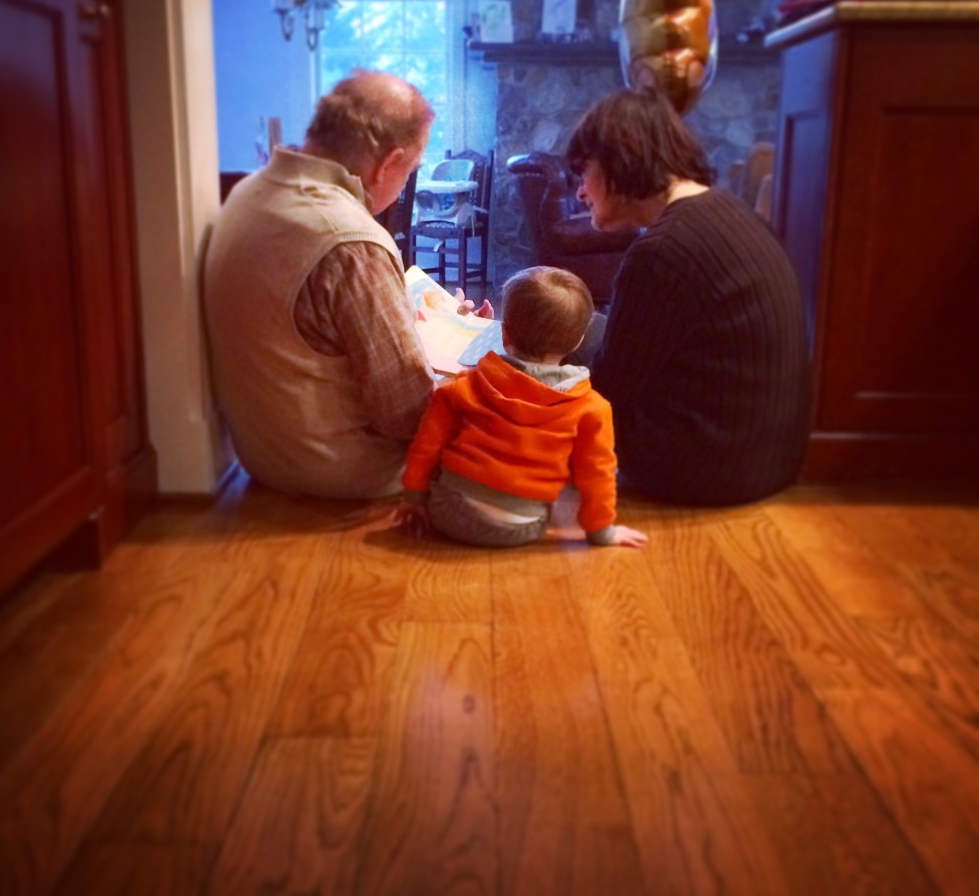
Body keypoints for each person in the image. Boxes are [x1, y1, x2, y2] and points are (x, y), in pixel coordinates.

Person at [204, 70, 450, 499]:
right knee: (506, 401)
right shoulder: (353, 240)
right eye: (410, 170)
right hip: (344, 471)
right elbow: (408, 413)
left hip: (264, 456)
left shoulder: (247, 192)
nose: (404, 184)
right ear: (389, 164)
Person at [566, 85, 810, 506]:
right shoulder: (728, 210)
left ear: (618, 164)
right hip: (772, 456)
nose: (580, 192)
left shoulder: (662, 251)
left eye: (584, 172)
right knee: (588, 329)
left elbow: (608, 390)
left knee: (559, 339)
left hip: (705, 466)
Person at [397, 266, 648, 549]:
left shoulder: (462, 388)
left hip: (447, 513)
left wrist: (414, 498)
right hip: (522, 528)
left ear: (504, 333)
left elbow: (427, 445)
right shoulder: (592, 408)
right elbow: (597, 472)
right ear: (579, 340)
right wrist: (603, 533)